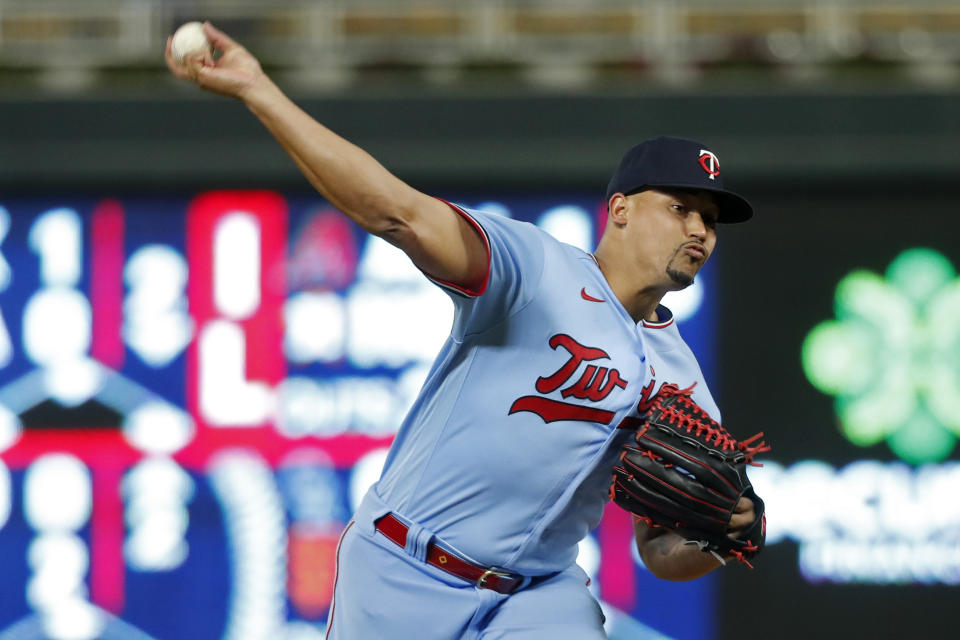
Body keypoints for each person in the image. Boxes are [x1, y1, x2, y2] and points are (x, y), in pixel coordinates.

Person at [165, 23, 758, 640]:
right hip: (402, 568)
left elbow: (660, 551)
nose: (700, 230)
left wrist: (720, 537)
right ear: (621, 210)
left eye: (711, 220)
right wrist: (260, 90)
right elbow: (396, 211)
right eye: (681, 207)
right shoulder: (533, 269)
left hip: (536, 594)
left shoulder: (682, 378)